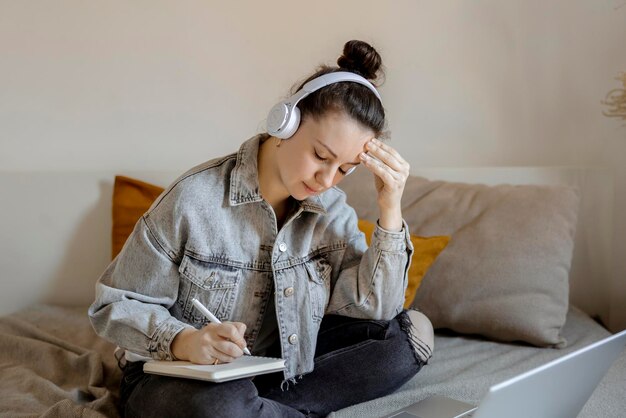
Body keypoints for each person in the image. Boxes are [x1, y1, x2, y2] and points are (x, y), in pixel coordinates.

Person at [89, 39, 434, 418]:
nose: (326, 179)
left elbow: (376, 310)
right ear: (284, 123)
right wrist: (184, 341)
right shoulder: (193, 199)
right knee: (219, 403)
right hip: (180, 375)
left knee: (411, 337)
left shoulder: (331, 210)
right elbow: (113, 305)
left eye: (345, 169)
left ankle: (259, 410)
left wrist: (391, 208)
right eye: (320, 155)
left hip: (280, 369)